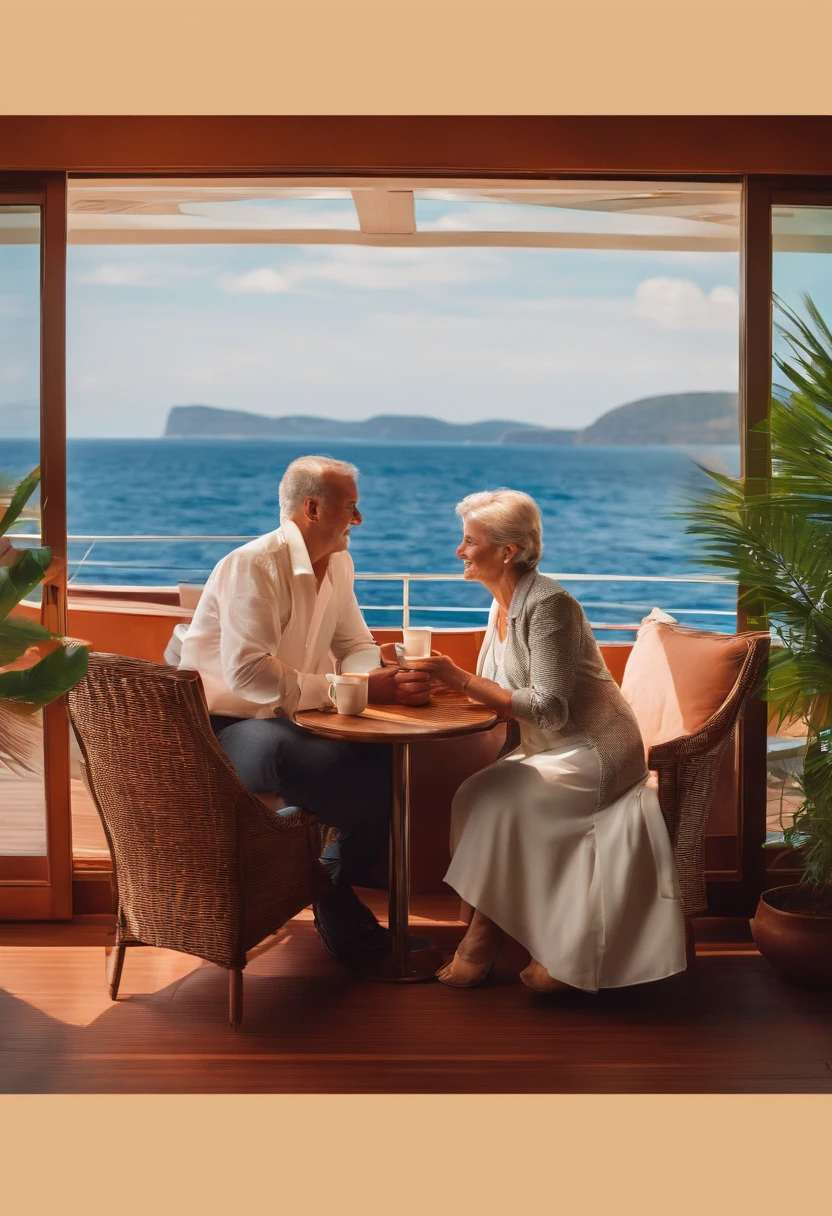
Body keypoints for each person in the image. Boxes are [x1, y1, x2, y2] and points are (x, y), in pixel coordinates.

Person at [413, 489, 687, 992]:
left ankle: (483, 936)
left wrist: (457, 680)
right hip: (547, 749)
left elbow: (550, 707)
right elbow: (497, 694)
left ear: (507, 551)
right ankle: (506, 926)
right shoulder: (498, 608)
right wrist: (433, 687)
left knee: (498, 803)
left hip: (595, 748)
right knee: (472, 795)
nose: (459, 551)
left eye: (469, 541)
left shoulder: (551, 606)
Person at [179, 455, 431, 964]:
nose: (359, 520)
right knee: (335, 765)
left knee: (392, 761)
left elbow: (355, 642)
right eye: (351, 508)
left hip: (295, 720)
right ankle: (336, 904)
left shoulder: (339, 561)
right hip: (226, 727)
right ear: (312, 508)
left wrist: (372, 681)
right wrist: (352, 693)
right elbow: (249, 676)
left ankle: (330, 888)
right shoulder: (252, 563)